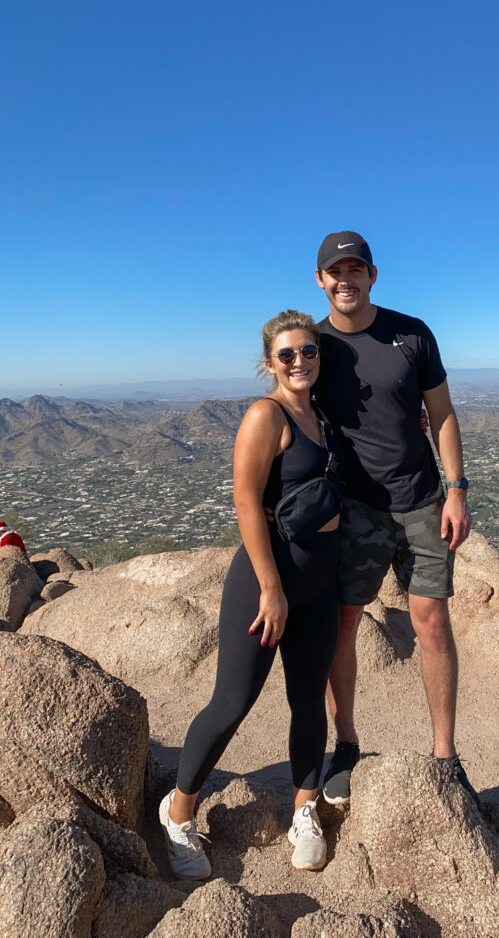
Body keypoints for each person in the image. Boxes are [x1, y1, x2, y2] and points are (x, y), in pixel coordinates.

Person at [159, 310, 343, 879]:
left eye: (308, 352)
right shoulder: (268, 415)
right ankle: (179, 812)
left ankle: (305, 810)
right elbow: (244, 500)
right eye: (287, 354)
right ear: (269, 362)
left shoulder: (322, 416)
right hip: (270, 583)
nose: (299, 362)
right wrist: (271, 588)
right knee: (233, 702)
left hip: (320, 583)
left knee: (309, 702)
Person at [312, 230, 473, 805]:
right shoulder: (315, 347)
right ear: (321, 280)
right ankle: (347, 745)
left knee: (431, 624)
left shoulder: (411, 333)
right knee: (346, 623)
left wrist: (455, 490)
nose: (345, 280)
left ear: (372, 276)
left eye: (356, 270)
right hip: (355, 509)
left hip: (423, 501)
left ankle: (446, 756)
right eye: (335, 271)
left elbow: (443, 413)